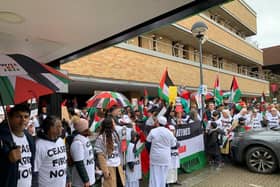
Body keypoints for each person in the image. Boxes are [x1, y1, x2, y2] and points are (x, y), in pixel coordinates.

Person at [0, 104, 35, 187]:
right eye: (18, 116)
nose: (23, 120)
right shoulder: (2, 137)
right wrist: (6, 159)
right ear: (10, 118)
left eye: (26, 117)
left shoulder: (29, 138)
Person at [33, 116, 68, 187]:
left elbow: (64, 161)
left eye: (61, 126)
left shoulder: (60, 141)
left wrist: (68, 178)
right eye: (58, 126)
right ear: (50, 128)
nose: (62, 128)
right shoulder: (39, 145)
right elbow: (35, 170)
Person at [94, 117, 125, 187]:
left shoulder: (115, 134)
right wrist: (105, 171)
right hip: (109, 167)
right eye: (113, 122)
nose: (114, 124)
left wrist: (121, 164)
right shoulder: (101, 137)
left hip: (118, 166)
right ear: (109, 124)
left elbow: (119, 150)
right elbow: (100, 155)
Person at [146, 116, 176, 187]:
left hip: (155, 157)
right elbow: (173, 145)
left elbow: (147, 143)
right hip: (165, 157)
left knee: (154, 176)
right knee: (163, 176)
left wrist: (150, 152)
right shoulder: (169, 133)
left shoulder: (153, 131)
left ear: (158, 123)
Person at [70, 118, 95, 187]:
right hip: (81, 183)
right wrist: (86, 180)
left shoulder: (84, 138)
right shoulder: (77, 143)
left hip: (90, 177)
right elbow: (79, 163)